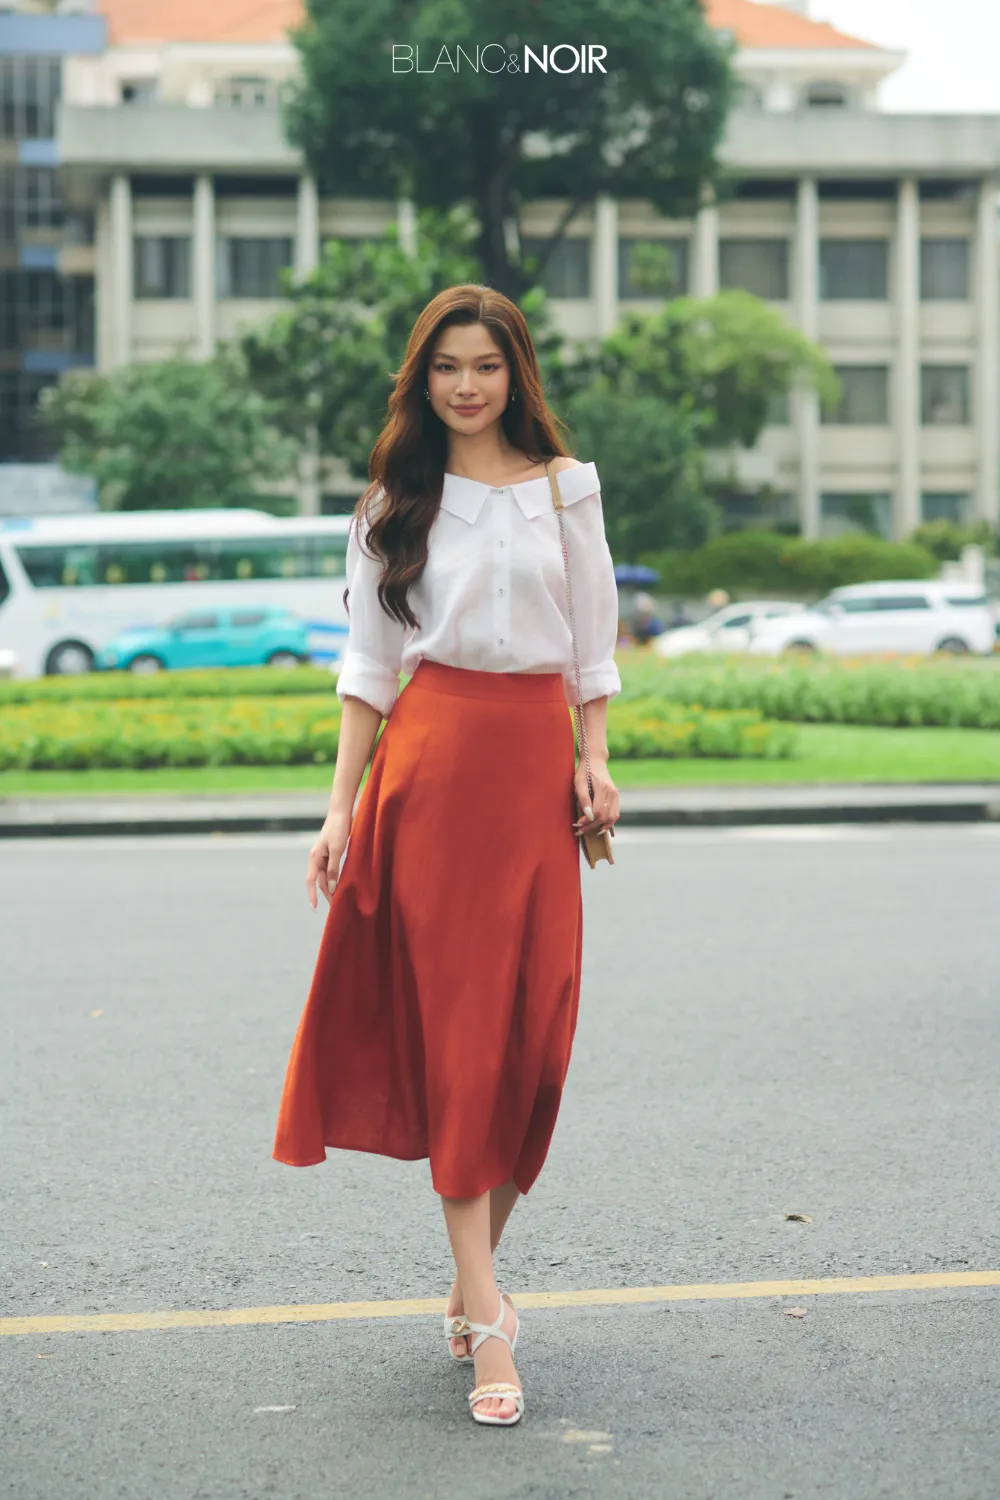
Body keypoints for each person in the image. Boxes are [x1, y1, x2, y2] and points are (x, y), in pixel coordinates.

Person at [271, 284, 622, 1428]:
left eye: (485, 365)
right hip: (428, 776)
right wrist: (338, 810)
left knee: (536, 1048)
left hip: (530, 775)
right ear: (421, 381)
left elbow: (590, 641)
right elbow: (369, 669)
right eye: (445, 368)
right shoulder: (392, 504)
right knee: (465, 1046)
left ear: (516, 372)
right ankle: (486, 1317)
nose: (466, 385)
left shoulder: (569, 491)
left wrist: (594, 759)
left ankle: (476, 1284)